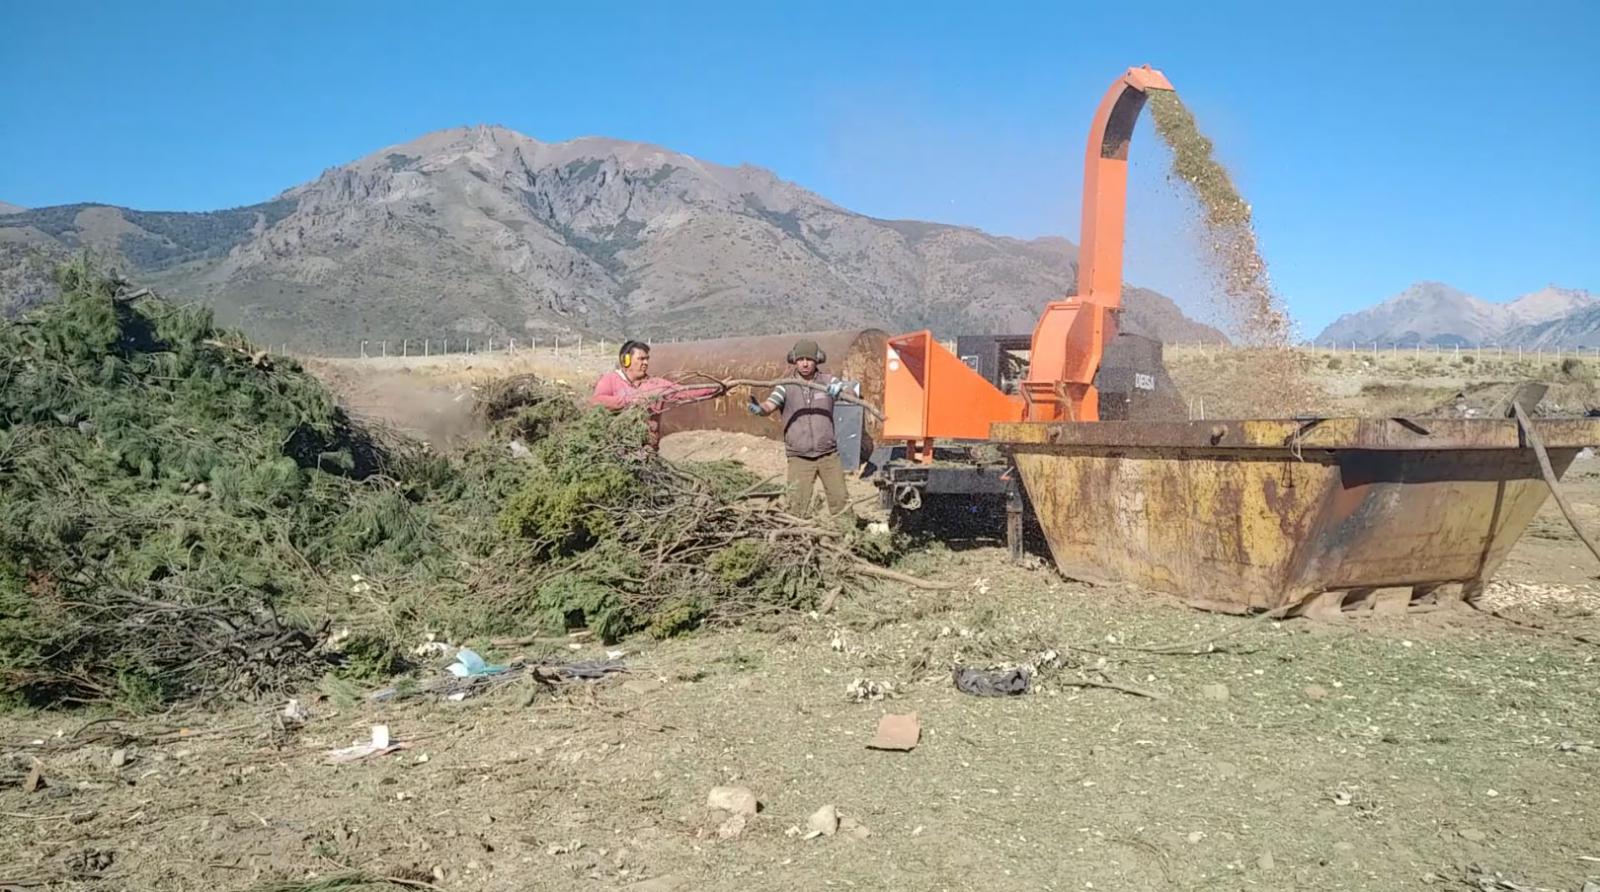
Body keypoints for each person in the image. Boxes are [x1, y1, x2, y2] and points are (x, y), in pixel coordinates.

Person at [747, 339, 855, 518]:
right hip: (799, 457)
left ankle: (849, 535)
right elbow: (770, 405)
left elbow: (852, 392)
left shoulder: (828, 381)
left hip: (828, 455)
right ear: (794, 360)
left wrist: (842, 389)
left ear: (817, 360)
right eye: (801, 359)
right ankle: (794, 540)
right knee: (796, 505)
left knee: (841, 500)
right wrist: (760, 409)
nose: (805, 363)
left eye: (809, 359)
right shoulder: (785, 386)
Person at [590, 339, 710, 449]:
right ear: (625, 360)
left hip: (647, 450)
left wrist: (719, 389)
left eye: (647, 359)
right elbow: (596, 401)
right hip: (618, 447)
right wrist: (630, 400)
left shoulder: (656, 383)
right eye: (641, 359)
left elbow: (684, 392)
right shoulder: (610, 379)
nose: (646, 363)